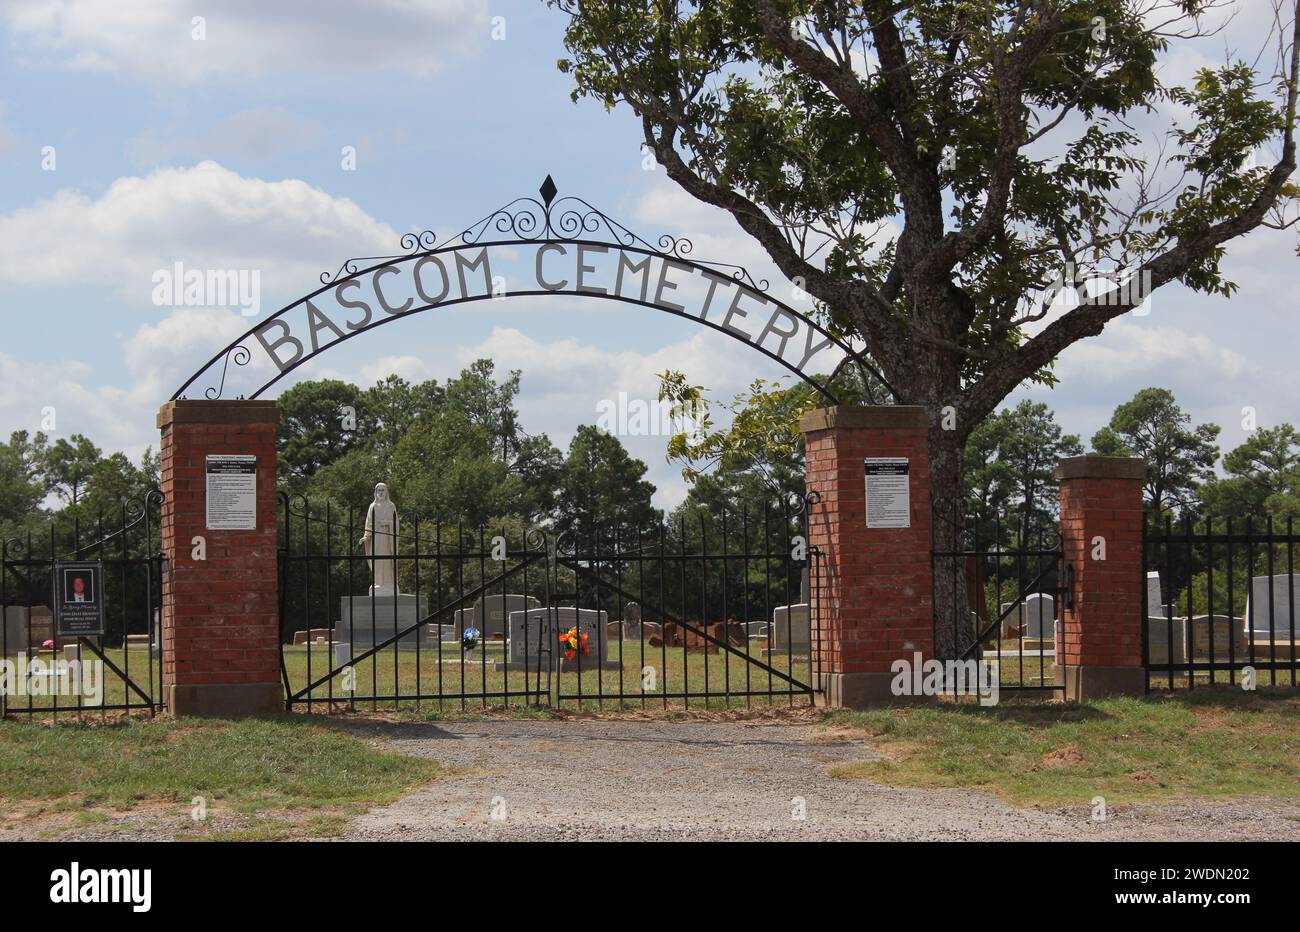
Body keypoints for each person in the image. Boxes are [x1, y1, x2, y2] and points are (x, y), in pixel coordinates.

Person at [360, 482, 399, 595]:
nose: (381, 492)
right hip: (376, 538)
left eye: (383, 490)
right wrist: (366, 536)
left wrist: (387, 523)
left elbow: (396, 523)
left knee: (387, 560)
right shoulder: (372, 506)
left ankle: (389, 583)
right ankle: (378, 583)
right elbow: (368, 523)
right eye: (379, 490)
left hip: (388, 538)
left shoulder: (391, 505)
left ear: (386, 492)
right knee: (377, 560)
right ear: (376, 492)